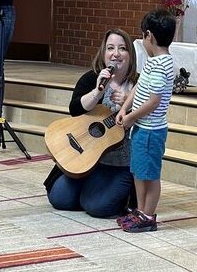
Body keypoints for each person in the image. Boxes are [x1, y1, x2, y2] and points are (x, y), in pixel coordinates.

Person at [44, 28, 138, 218]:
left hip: (118, 163)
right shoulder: (91, 78)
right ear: (103, 53)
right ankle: (90, 187)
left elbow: (150, 117)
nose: (116, 54)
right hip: (86, 155)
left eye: (122, 48)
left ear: (130, 54)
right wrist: (98, 92)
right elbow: (75, 109)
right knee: (59, 198)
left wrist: (130, 104)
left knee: (97, 207)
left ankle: (107, 193)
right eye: (110, 48)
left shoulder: (138, 84)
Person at [116, 9, 175, 233]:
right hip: (142, 127)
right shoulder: (152, 61)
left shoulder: (163, 65)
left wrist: (130, 117)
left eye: (142, 36)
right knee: (139, 171)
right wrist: (124, 107)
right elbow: (139, 87)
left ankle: (149, 215)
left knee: (150, 175)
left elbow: (153, 102)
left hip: (151, 131)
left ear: (149, 35)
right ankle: (140, 212)